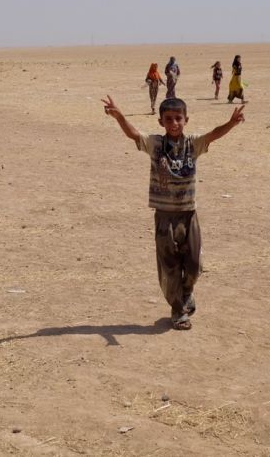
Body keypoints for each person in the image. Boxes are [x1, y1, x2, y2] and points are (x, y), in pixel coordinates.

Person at [102, 94, 245, 330]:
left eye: (178, 118)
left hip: (189, 214)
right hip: (164, 216)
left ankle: (187, 291)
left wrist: (230, 124)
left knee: (193, 264)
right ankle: (178, 310)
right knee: (169, 267)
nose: (174, 123)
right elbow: (134, 135)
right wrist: (119, 117)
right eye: (168, 119)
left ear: (186, 119)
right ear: (161, 122)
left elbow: (213, 134)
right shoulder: (156, 145)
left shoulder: (193, 144)